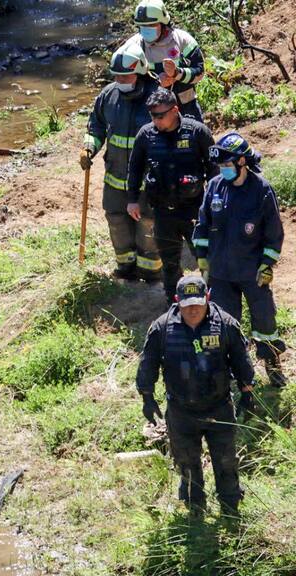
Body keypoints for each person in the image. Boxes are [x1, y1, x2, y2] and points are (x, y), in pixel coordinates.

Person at [137, 276, 256, 514]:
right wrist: (147, 397)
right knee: (187, 464)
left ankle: (230, 508)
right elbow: (148, 363)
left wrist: (247, 393)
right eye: (187, 303)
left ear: (208, 298)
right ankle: (195, 512)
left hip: (219, 408)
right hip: (181, 413)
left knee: (226, 461)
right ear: (177, 300)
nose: (193, 309)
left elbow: (242, 361)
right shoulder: (162, 328)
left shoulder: (225, 324)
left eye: (198, 303)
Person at [193, 132, 287, 387]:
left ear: (242, 162)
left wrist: (267, 265)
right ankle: (235, 371)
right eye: (220, 166)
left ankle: (272, 365)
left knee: (264, 320)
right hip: (221, 273)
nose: (222, 170)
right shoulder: (214, 187)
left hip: (251, 272)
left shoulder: (261, 190)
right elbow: (203, 226)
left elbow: (274, 234)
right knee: (224, 324)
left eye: (227, 165)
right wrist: (202, 260)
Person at [126, 88, 216, 306]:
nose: (156, 121)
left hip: (195, 211)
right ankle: (174, 304)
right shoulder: (146, 135)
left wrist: (214, 202)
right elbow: (135, 168)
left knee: (205, 258)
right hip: (162, 212)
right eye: (152, 116)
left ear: (175, 110)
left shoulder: (197, 132)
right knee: (169, 263)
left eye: (160, 115)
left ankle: (214, 300)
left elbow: (214, 169)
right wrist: (132, 199)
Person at [81, 43, 162, 281]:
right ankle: (125, 269)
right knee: (117, 220)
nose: (120, 79)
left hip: (149, 182)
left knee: (148, 224)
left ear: (140, 71)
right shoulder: (108, 96)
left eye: (125, 75)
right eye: (116, 75)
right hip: (115, 178)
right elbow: (95, 126)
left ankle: (151, 274)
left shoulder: (158, 97)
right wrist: (89, 148)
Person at [125, 0, 205, 121]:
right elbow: (126, 82)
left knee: (196, 138)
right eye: (143, 26)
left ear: (163, 23)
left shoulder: (183, 40)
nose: (146, 29)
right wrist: (157, 84)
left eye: (151, 25)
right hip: (152, 113)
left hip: (187, 108)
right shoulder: (132, 47)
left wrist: (177, 73)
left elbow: (199, 72)